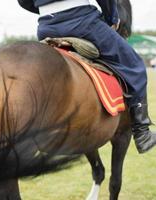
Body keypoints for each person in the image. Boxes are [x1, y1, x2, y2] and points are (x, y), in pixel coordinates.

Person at [18, 0, 156, 153]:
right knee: (135, 64)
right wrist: (112, 18)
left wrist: (48, 11)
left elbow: (23, 1)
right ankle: (142, 133)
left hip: (46, 26)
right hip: (82, 22)